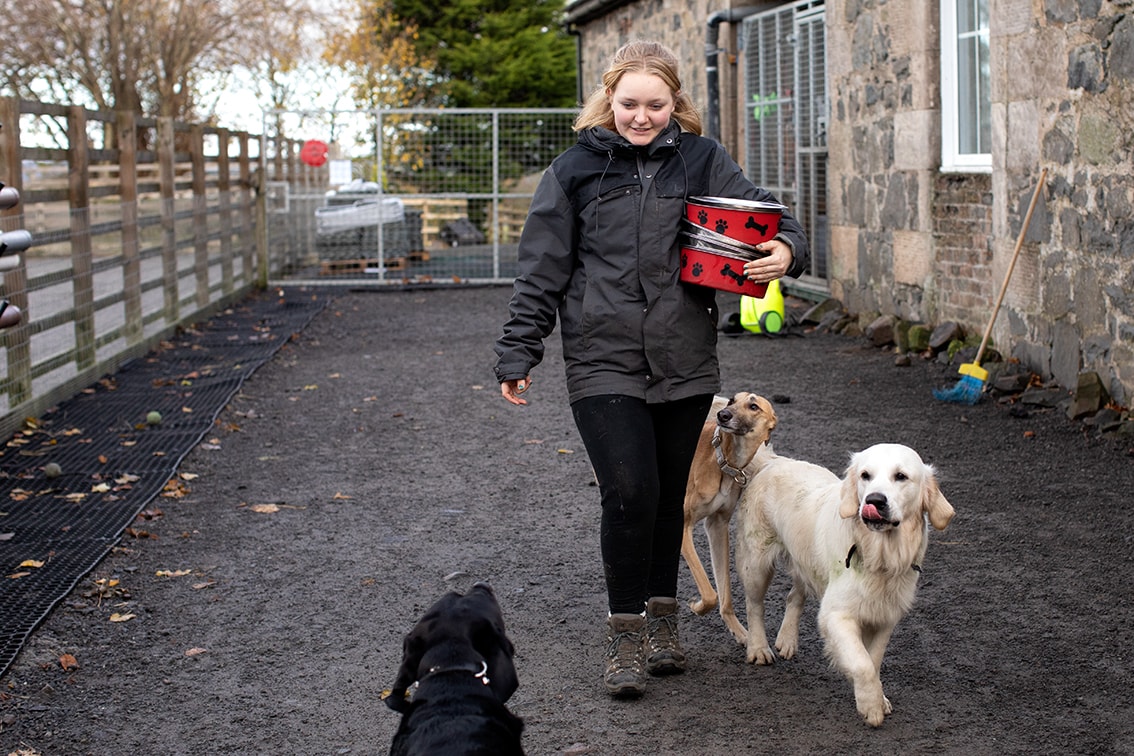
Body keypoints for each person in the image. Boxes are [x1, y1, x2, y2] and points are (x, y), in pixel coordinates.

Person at [493, 40, 809, 698]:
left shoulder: (700, 158)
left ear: (676, 102)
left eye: (655, 104)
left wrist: (785, 247)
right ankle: (626, 632)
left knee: (670, 497)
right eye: (628, 103)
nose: (641, 116)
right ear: (609, 98)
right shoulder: (576, 169)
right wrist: (519, 350)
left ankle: (665, 622)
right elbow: (542, 268)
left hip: (684, 359)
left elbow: (765, 215)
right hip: (601, 357)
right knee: (630, 490)